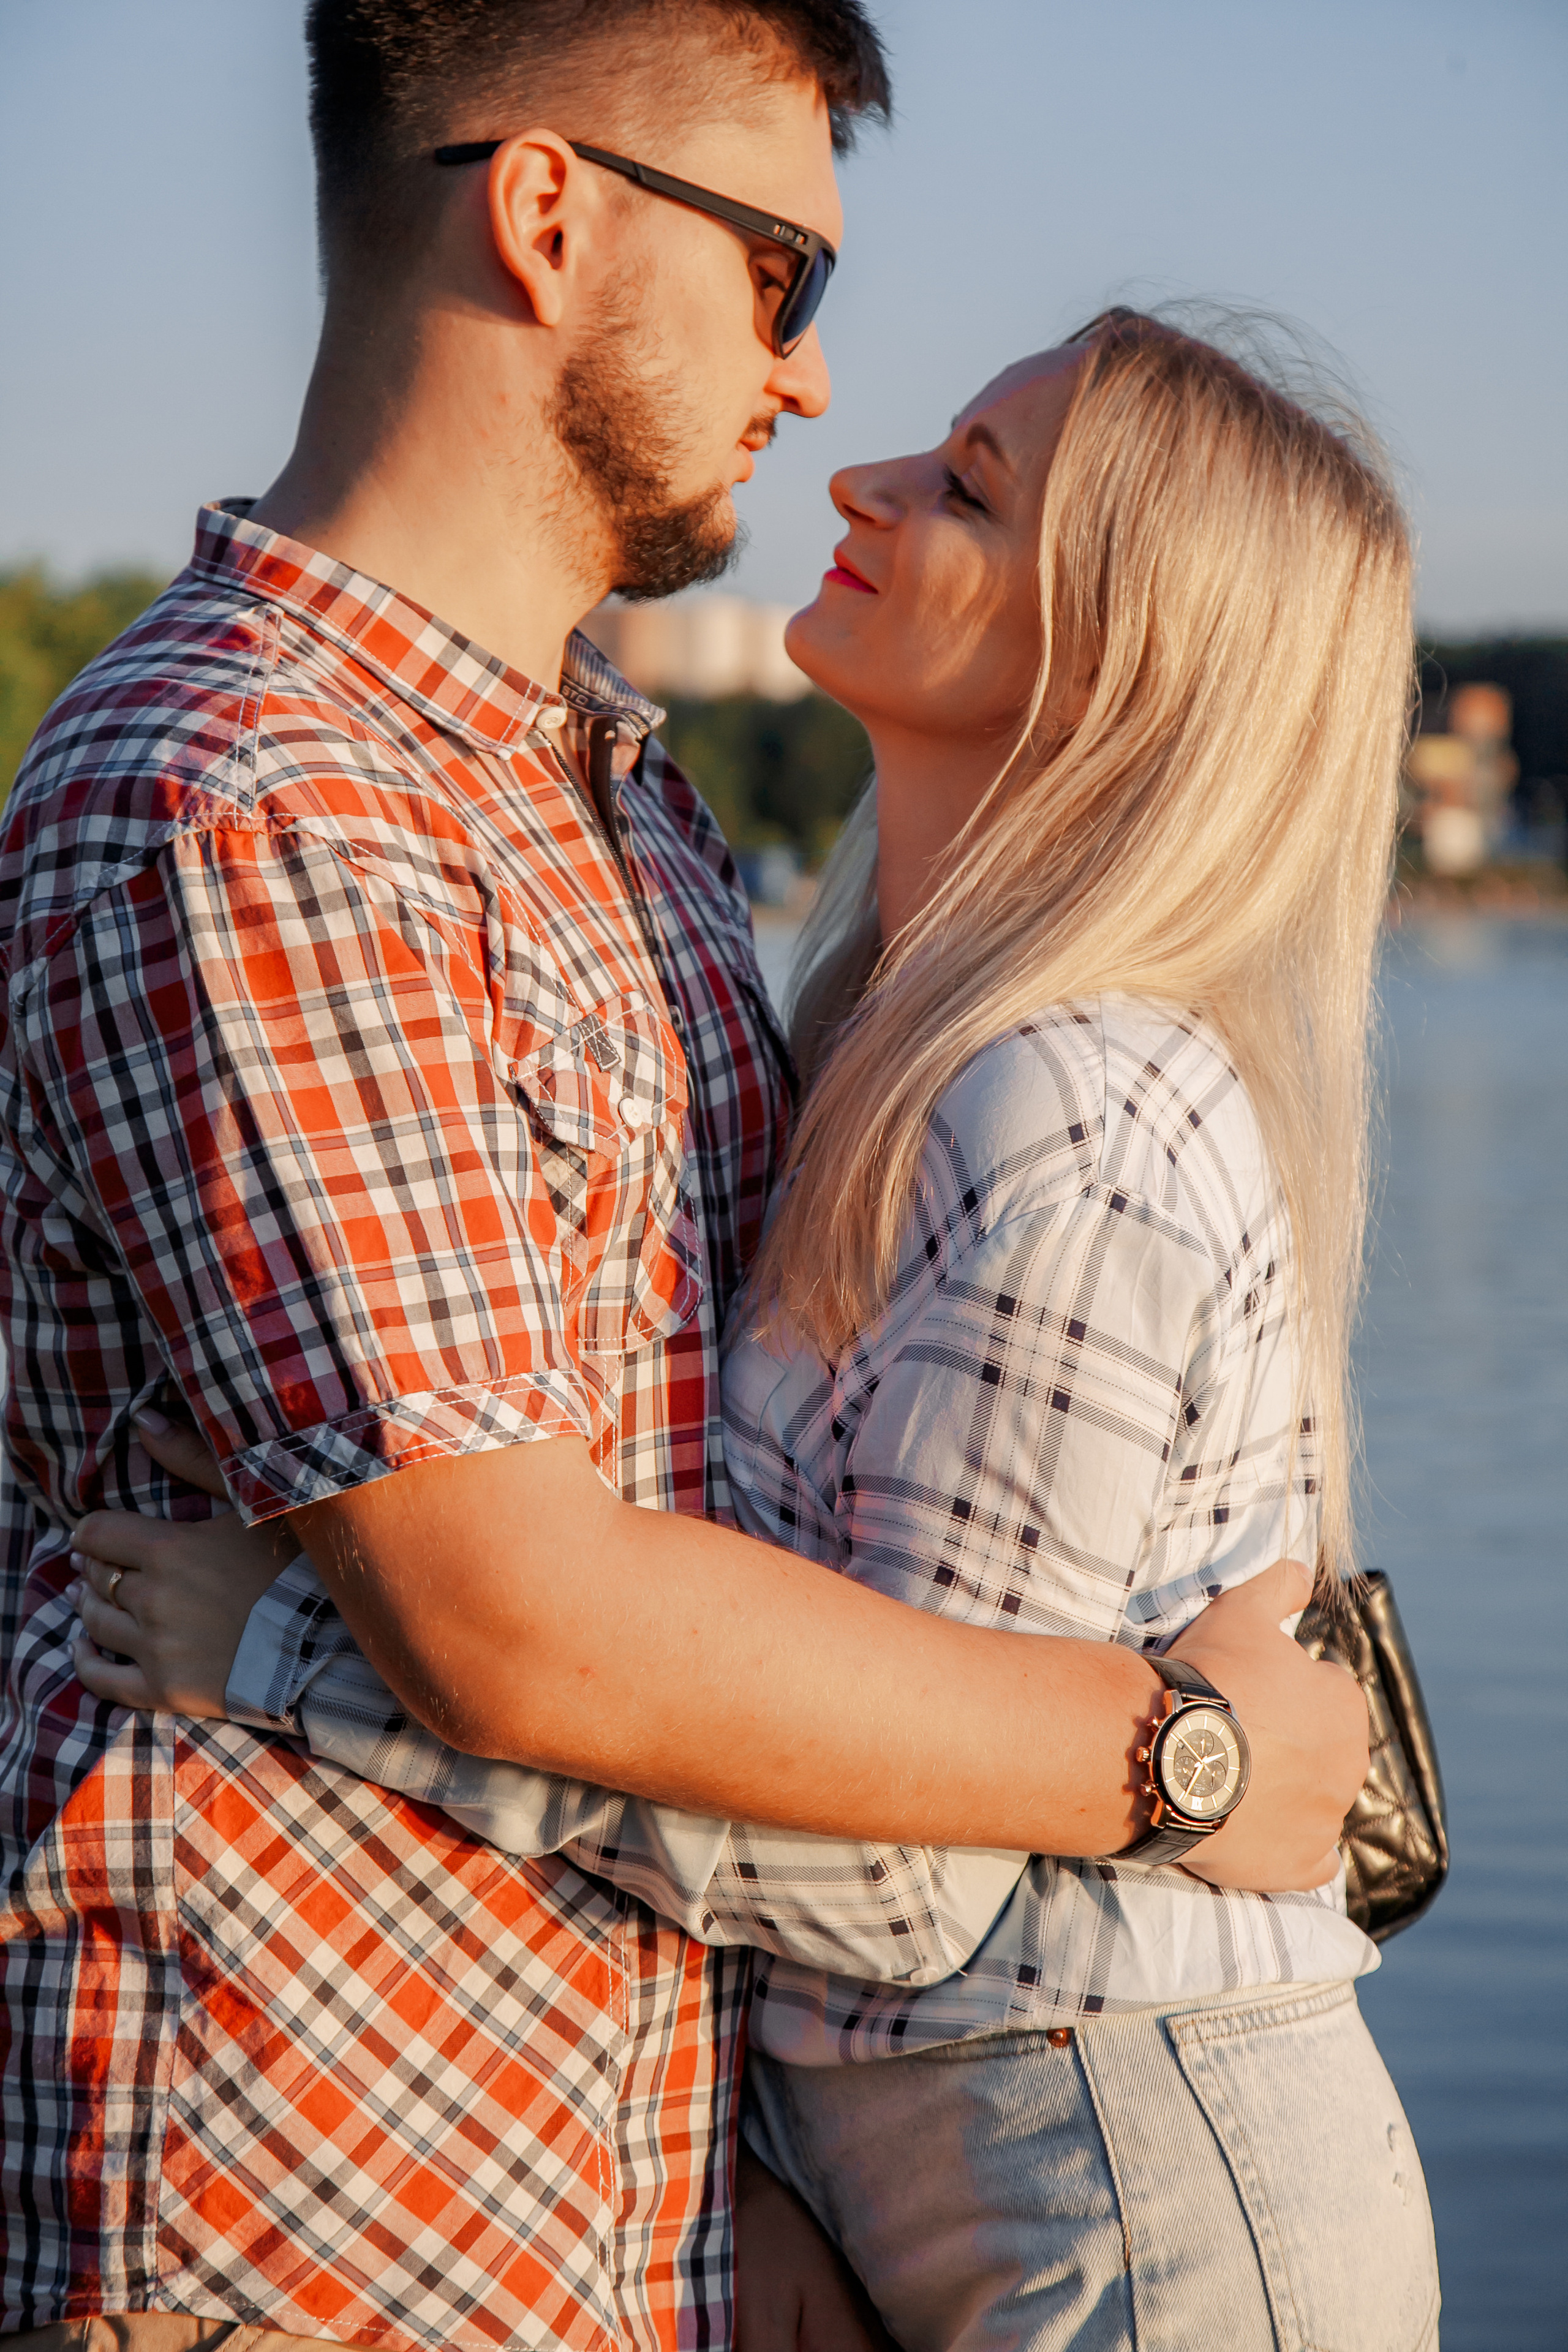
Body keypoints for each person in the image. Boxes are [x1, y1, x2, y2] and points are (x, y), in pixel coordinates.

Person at [0, 0, 1368, 2339]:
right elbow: (514, 1611)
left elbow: (844, 1566)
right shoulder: (254, 793)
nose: (818, 391)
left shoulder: (623, 819)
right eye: (783, 277)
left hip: (637, 2212)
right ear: (548, 215)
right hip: (318, 2216)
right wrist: (1187, 1753)